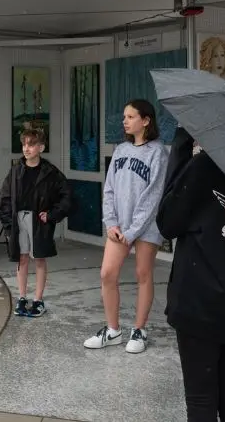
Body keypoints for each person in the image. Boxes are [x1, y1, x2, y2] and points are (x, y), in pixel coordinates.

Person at [157, 127, 225, 422]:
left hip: (199, 298)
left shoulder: (205, 165)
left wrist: (181, 147)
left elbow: (167, 222)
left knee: (201, 399)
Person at [83, 99, 167, 354]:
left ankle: (139, 330)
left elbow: (153, 196)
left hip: (146, 227)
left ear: (146, 120)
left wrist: (132, 231)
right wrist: (111, 223)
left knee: (143, 274)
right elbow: (109, 188)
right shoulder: (120, 150)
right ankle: (113, 330)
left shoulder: (158, 152)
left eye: (130, 117)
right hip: (119, 227)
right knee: (107, 274)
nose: (125, 121)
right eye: (124, 117)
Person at [0, 125, 72, 317]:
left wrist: (52, 214)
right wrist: (8, 225)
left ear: (41, 147)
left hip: (38, 221)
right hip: (19, 219)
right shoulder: (16, 171)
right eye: (24, 144)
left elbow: (67, 196)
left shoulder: (50, 172)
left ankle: (38, 300)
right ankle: (22, 297)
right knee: (22, 258)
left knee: (39, 258)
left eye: (31, 144)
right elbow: (5, 198)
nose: (26, 148)